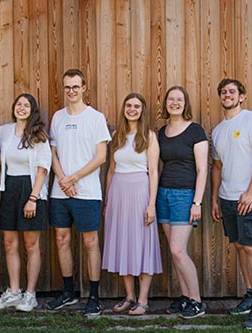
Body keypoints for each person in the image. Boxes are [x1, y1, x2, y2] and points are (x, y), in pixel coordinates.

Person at [45, 69, 111, 316]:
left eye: (75, 86)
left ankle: (94, 296)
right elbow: (52, 153)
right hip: (60, 192)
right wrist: (63, 179)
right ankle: (68, 293)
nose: (71, 91)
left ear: (84, 88)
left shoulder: (95, 118)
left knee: (90, 241)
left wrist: (73, 178)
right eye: (67, 87)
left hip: (87, 192)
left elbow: (101, 157)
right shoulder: (57, 117)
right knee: (62, 239)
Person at [211, 78, 252, 330]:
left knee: (251, 247)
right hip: (228, 197)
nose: (227, 95)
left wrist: (251, 191)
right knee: (238, 245)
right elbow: (217, 166)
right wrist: (214, 198)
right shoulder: (218, 130)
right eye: (224, 92)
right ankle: (248, 296)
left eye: (232, 92)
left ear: (241, 96)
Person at [0, 94, 51, 312]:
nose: (22, 108)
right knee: (9, 243)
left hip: (31, 190)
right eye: (19, 104)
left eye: (26, 105)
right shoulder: (5, 131)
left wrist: (33, 198)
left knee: (31, 245)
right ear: (14, 108)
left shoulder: (38, 135)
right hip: (9, 189)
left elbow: (43, 168)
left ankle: (29, 294)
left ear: (32, 110)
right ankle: (13, 292)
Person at [102, 93, 162, 316]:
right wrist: (107, 201)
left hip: (140, 192)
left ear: (142, 110)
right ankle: (129, 296)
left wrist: (151, 204)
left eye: (136, 106)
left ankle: (143, 300)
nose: (132, 109)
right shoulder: (117, 135)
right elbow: (110, 171)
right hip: (118, 192)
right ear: (123, 109)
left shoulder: (149, 136)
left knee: (142, 244)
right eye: (128, 105)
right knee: (123, 244)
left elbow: (154, 171)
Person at [156, 86, 208, 319]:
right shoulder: (161, 131)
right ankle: (186, 297)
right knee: (173, 250)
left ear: (185, 104)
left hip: (185, 195)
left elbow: (203, 168)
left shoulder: (195, 131)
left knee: (178, 250)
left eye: (179, 99)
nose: (174, 103)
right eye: (171, 99)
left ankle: (197, 301)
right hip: (163, 194)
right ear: (165, 103)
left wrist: (197, 202)